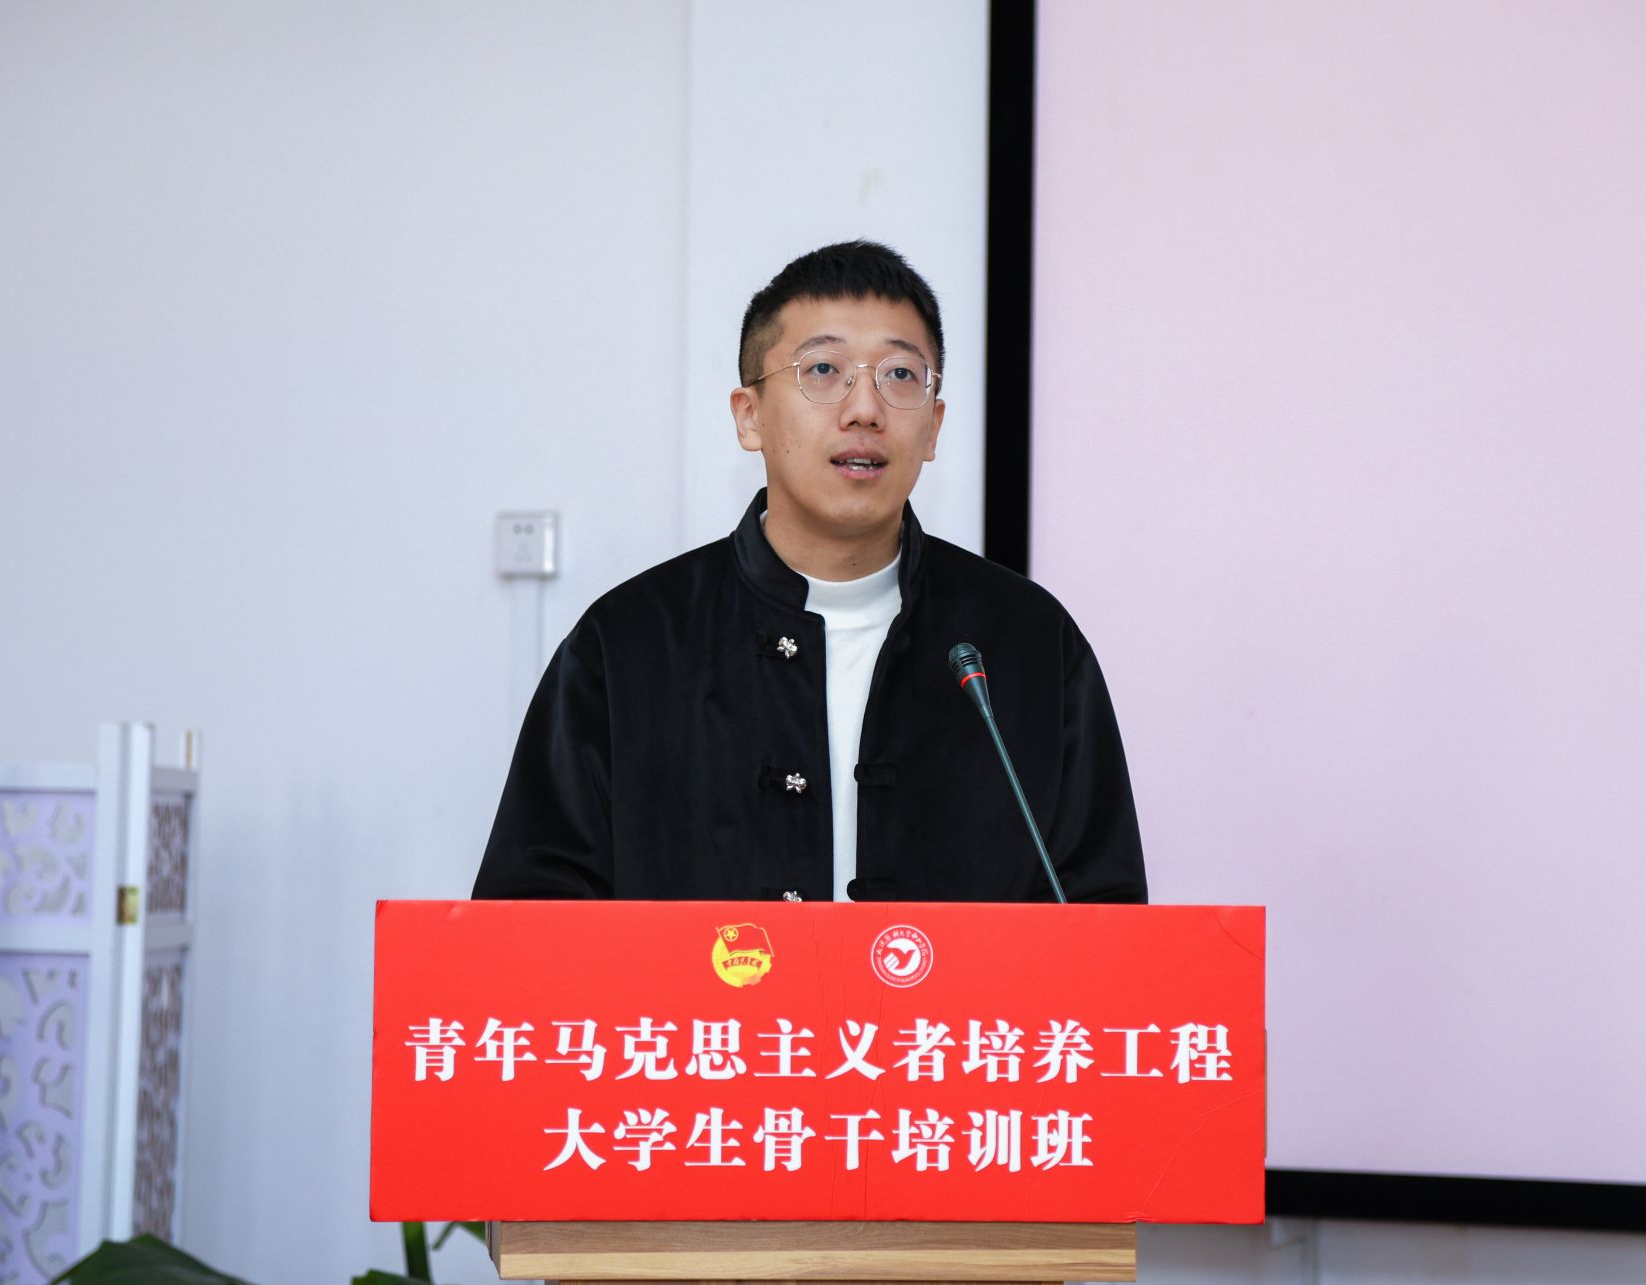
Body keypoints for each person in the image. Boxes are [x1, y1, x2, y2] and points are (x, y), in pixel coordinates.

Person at [473, 240, 1144, 904]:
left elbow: (1104, 922)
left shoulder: (1028, 642)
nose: (865, 409)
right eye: (823, 370)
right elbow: (531, 918)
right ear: (750, 417)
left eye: (899, 375)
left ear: (934, 427)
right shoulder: (628, 644)